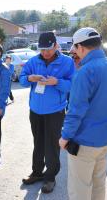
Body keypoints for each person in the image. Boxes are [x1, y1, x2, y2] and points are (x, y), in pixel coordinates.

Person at [59, 27, 107, 200]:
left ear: (81, 47)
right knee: (98, 187)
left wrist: (65, 137)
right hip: (105, 139)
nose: (74, 52)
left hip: (84, 141)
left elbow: (75, 110)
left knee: (80, 190)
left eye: (75, 48)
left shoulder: (85, 72)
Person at [20, 32, 75, 193]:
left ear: (56, 45)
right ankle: (37, 172)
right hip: (35, 110)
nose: (45, 53)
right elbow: (22, 78)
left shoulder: (67, 62)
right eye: (42, 50)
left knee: (52, 145)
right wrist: (30, 78)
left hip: (55, 112)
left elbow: (72, 84)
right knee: (38, 143)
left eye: (48, 49)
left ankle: (50, 177)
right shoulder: (34, 60)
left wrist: (56, 82)